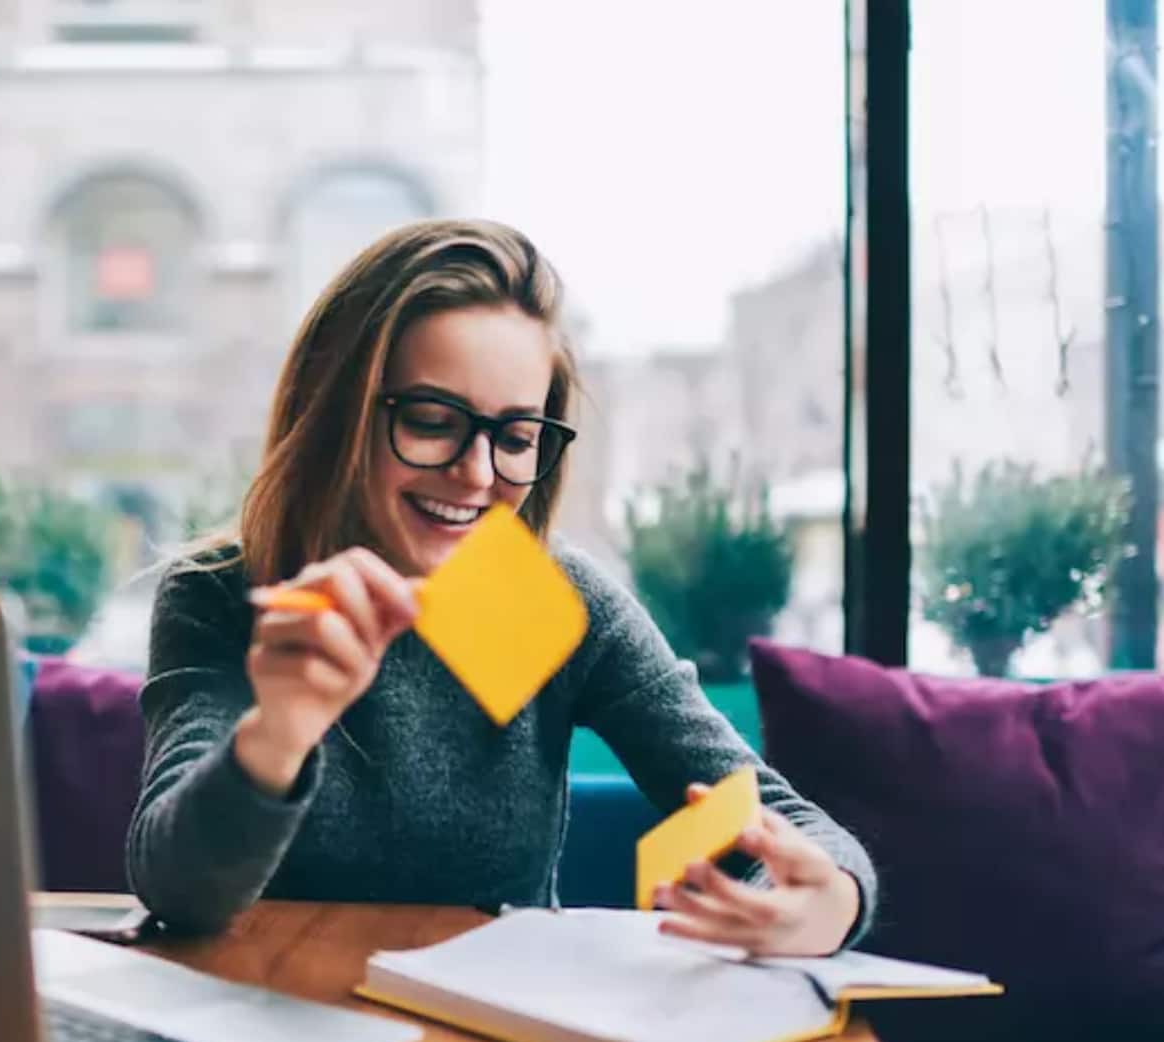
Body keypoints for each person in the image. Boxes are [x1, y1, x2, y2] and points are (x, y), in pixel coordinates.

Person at [127, 218, 874, 955]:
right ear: (334, 412)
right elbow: (177, 889)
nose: (478, 475)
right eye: (429, 420)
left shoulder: (548, 601)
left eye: (516, 438)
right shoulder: (226, 596)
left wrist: (827, 900)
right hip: (271, 1025)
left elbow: (765, 813)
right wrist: (278, 733)